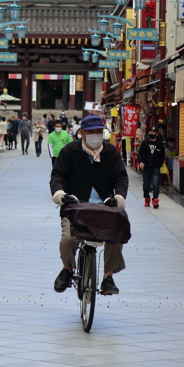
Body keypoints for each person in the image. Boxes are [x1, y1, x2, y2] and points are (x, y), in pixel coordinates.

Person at [50, 115, 128, 295]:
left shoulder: (111, 152)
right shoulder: (70, 151)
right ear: (82, 133)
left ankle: (108, 277)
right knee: (68, 239)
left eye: (99, 132)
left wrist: (119, 196)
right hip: (76, 207)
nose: (96, 135)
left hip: (105, 208)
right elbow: (57, 176)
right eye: (91, 132)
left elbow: (121, 177)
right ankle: (67, 268)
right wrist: (60, 194)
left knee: (116, 234)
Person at [137, 125, 167, 208]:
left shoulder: (160, 144)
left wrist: (158, 165)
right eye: (150, 132)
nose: (151, 133)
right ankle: (147, 198)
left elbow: (162, 156)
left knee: (155, 184)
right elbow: (140, 154)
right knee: (146, 185)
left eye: (153, 132)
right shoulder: (144, 143)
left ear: (157, 134)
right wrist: (141, 162)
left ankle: (155, 200)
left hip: (155, 168)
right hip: (146, 168)